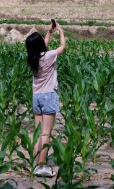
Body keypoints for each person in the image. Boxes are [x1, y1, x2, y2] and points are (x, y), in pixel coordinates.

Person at [25, 21, 66, 178]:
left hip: (37, 97)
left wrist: (49, 32)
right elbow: (62, 48)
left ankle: (36, 164)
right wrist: (61, 32)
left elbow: (43, 46)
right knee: (46, 133)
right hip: (49, 95)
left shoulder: (33, 57)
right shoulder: (48, 56)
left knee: (38, 133)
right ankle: (42, 166)